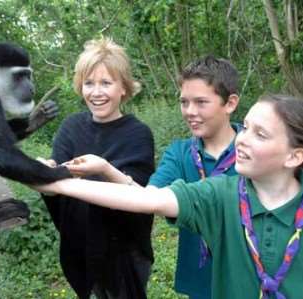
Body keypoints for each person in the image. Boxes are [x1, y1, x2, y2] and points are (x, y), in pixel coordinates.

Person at [33, 94, 303, 299]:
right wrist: (58, 182)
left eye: (260, 134)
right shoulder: (219, 195)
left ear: (294, 156)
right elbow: (147, 200)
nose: (243, 139)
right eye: (246, 127)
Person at [62, 55, 241, 299]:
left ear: (230, 103)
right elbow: (147, 198)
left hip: (251, 275)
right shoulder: (179, 154)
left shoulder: (253, 150)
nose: (190, 112)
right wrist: (104, 169)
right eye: (184, 102)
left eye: (201, 102)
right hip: (203, 280)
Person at [40, 37, 155, 299]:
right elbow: (57, 190)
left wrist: (104, 168)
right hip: (81, 249)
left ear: (123, 88)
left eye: (106, 83)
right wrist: (44, 172)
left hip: (125, 254)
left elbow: (140, 196)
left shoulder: (137, 134)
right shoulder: (70, 127)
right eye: (89, 83)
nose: (96, 92)